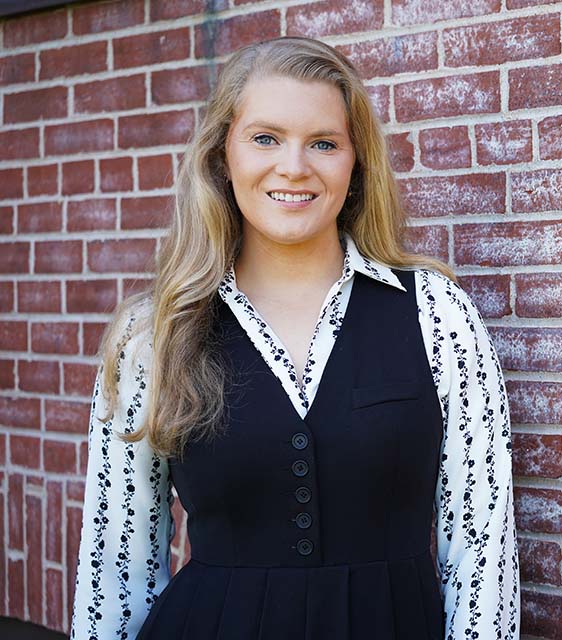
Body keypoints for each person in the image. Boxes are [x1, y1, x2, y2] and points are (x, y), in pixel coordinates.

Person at [69, 36, 519, 640]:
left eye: (324, 143)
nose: (294, 167)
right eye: (265, 138)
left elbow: (483, 552)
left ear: (355, 162)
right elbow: (114, 566)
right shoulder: (155, 333)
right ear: (222, 154)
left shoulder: (437, 315)